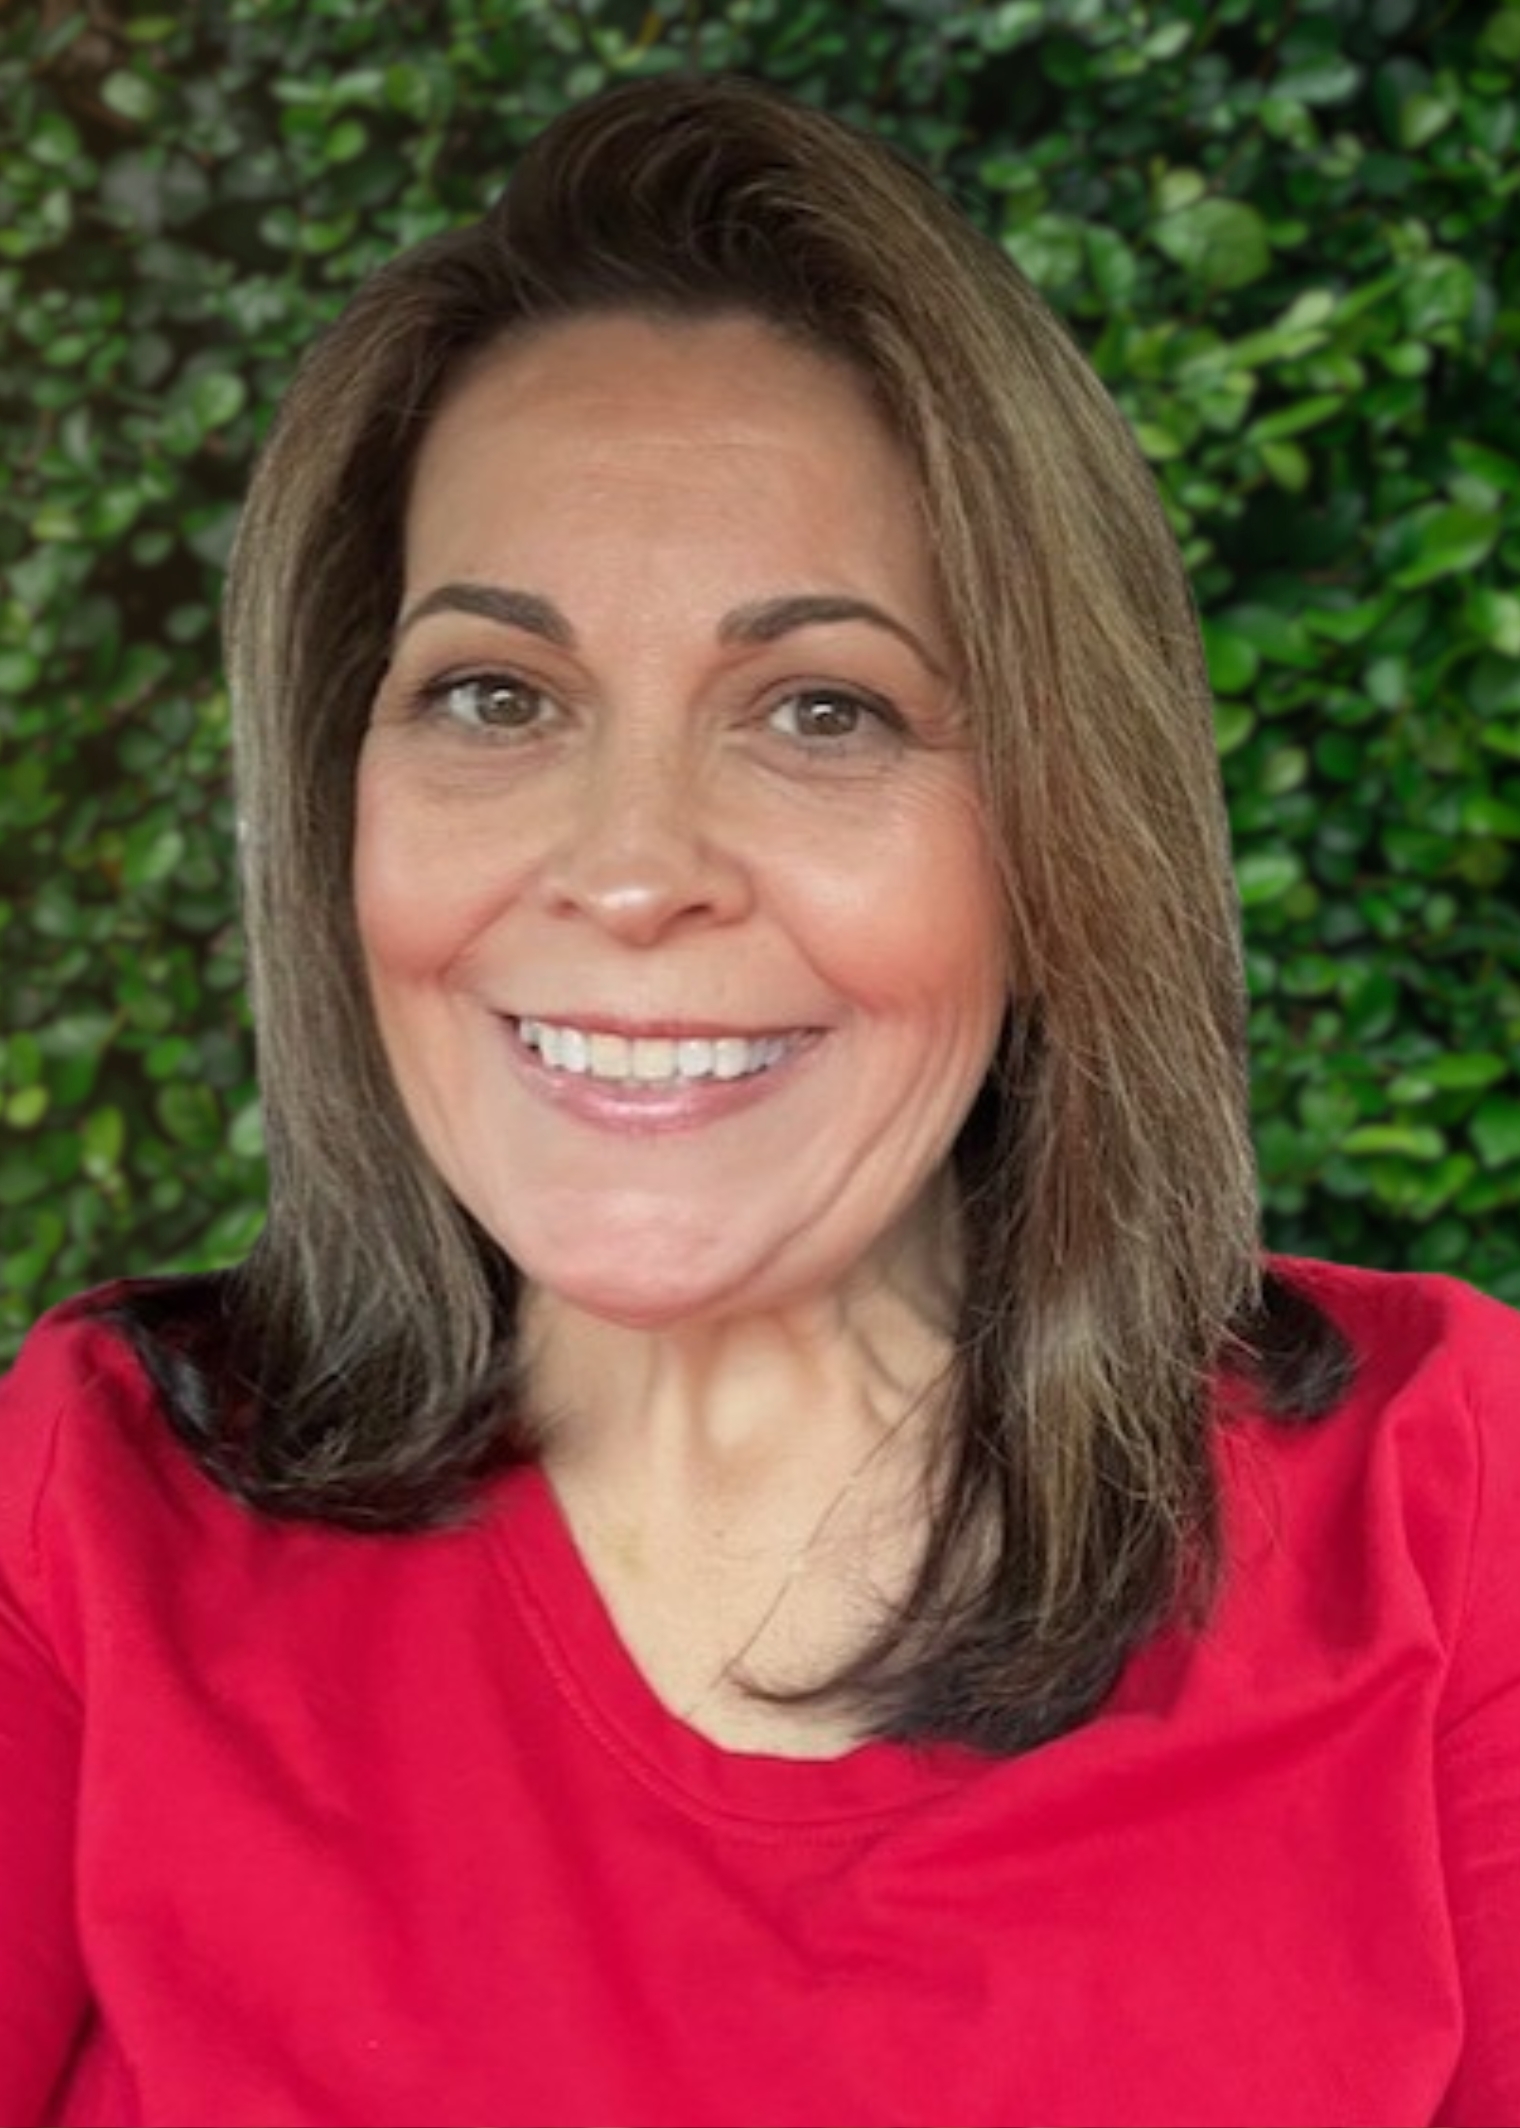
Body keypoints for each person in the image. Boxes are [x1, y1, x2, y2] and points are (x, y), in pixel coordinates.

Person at [1, 72, 1516, 2128]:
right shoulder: (94, 1519)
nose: (629, 871)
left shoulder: (1446, 1505)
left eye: (823, 709)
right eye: (493, 695)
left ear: (1061, 832)